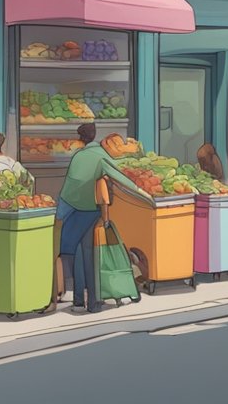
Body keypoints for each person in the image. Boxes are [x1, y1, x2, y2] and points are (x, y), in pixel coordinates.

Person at [55, 123, 150, 313]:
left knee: (78, 256)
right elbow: (120, 177)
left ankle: (79, 300)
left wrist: (60, 214)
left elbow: (71, 185)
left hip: (71, 209)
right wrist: (145, 194)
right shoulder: (101, 157)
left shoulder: (78, 156)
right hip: (90, 211)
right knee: (91, 257)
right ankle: (94, 303)